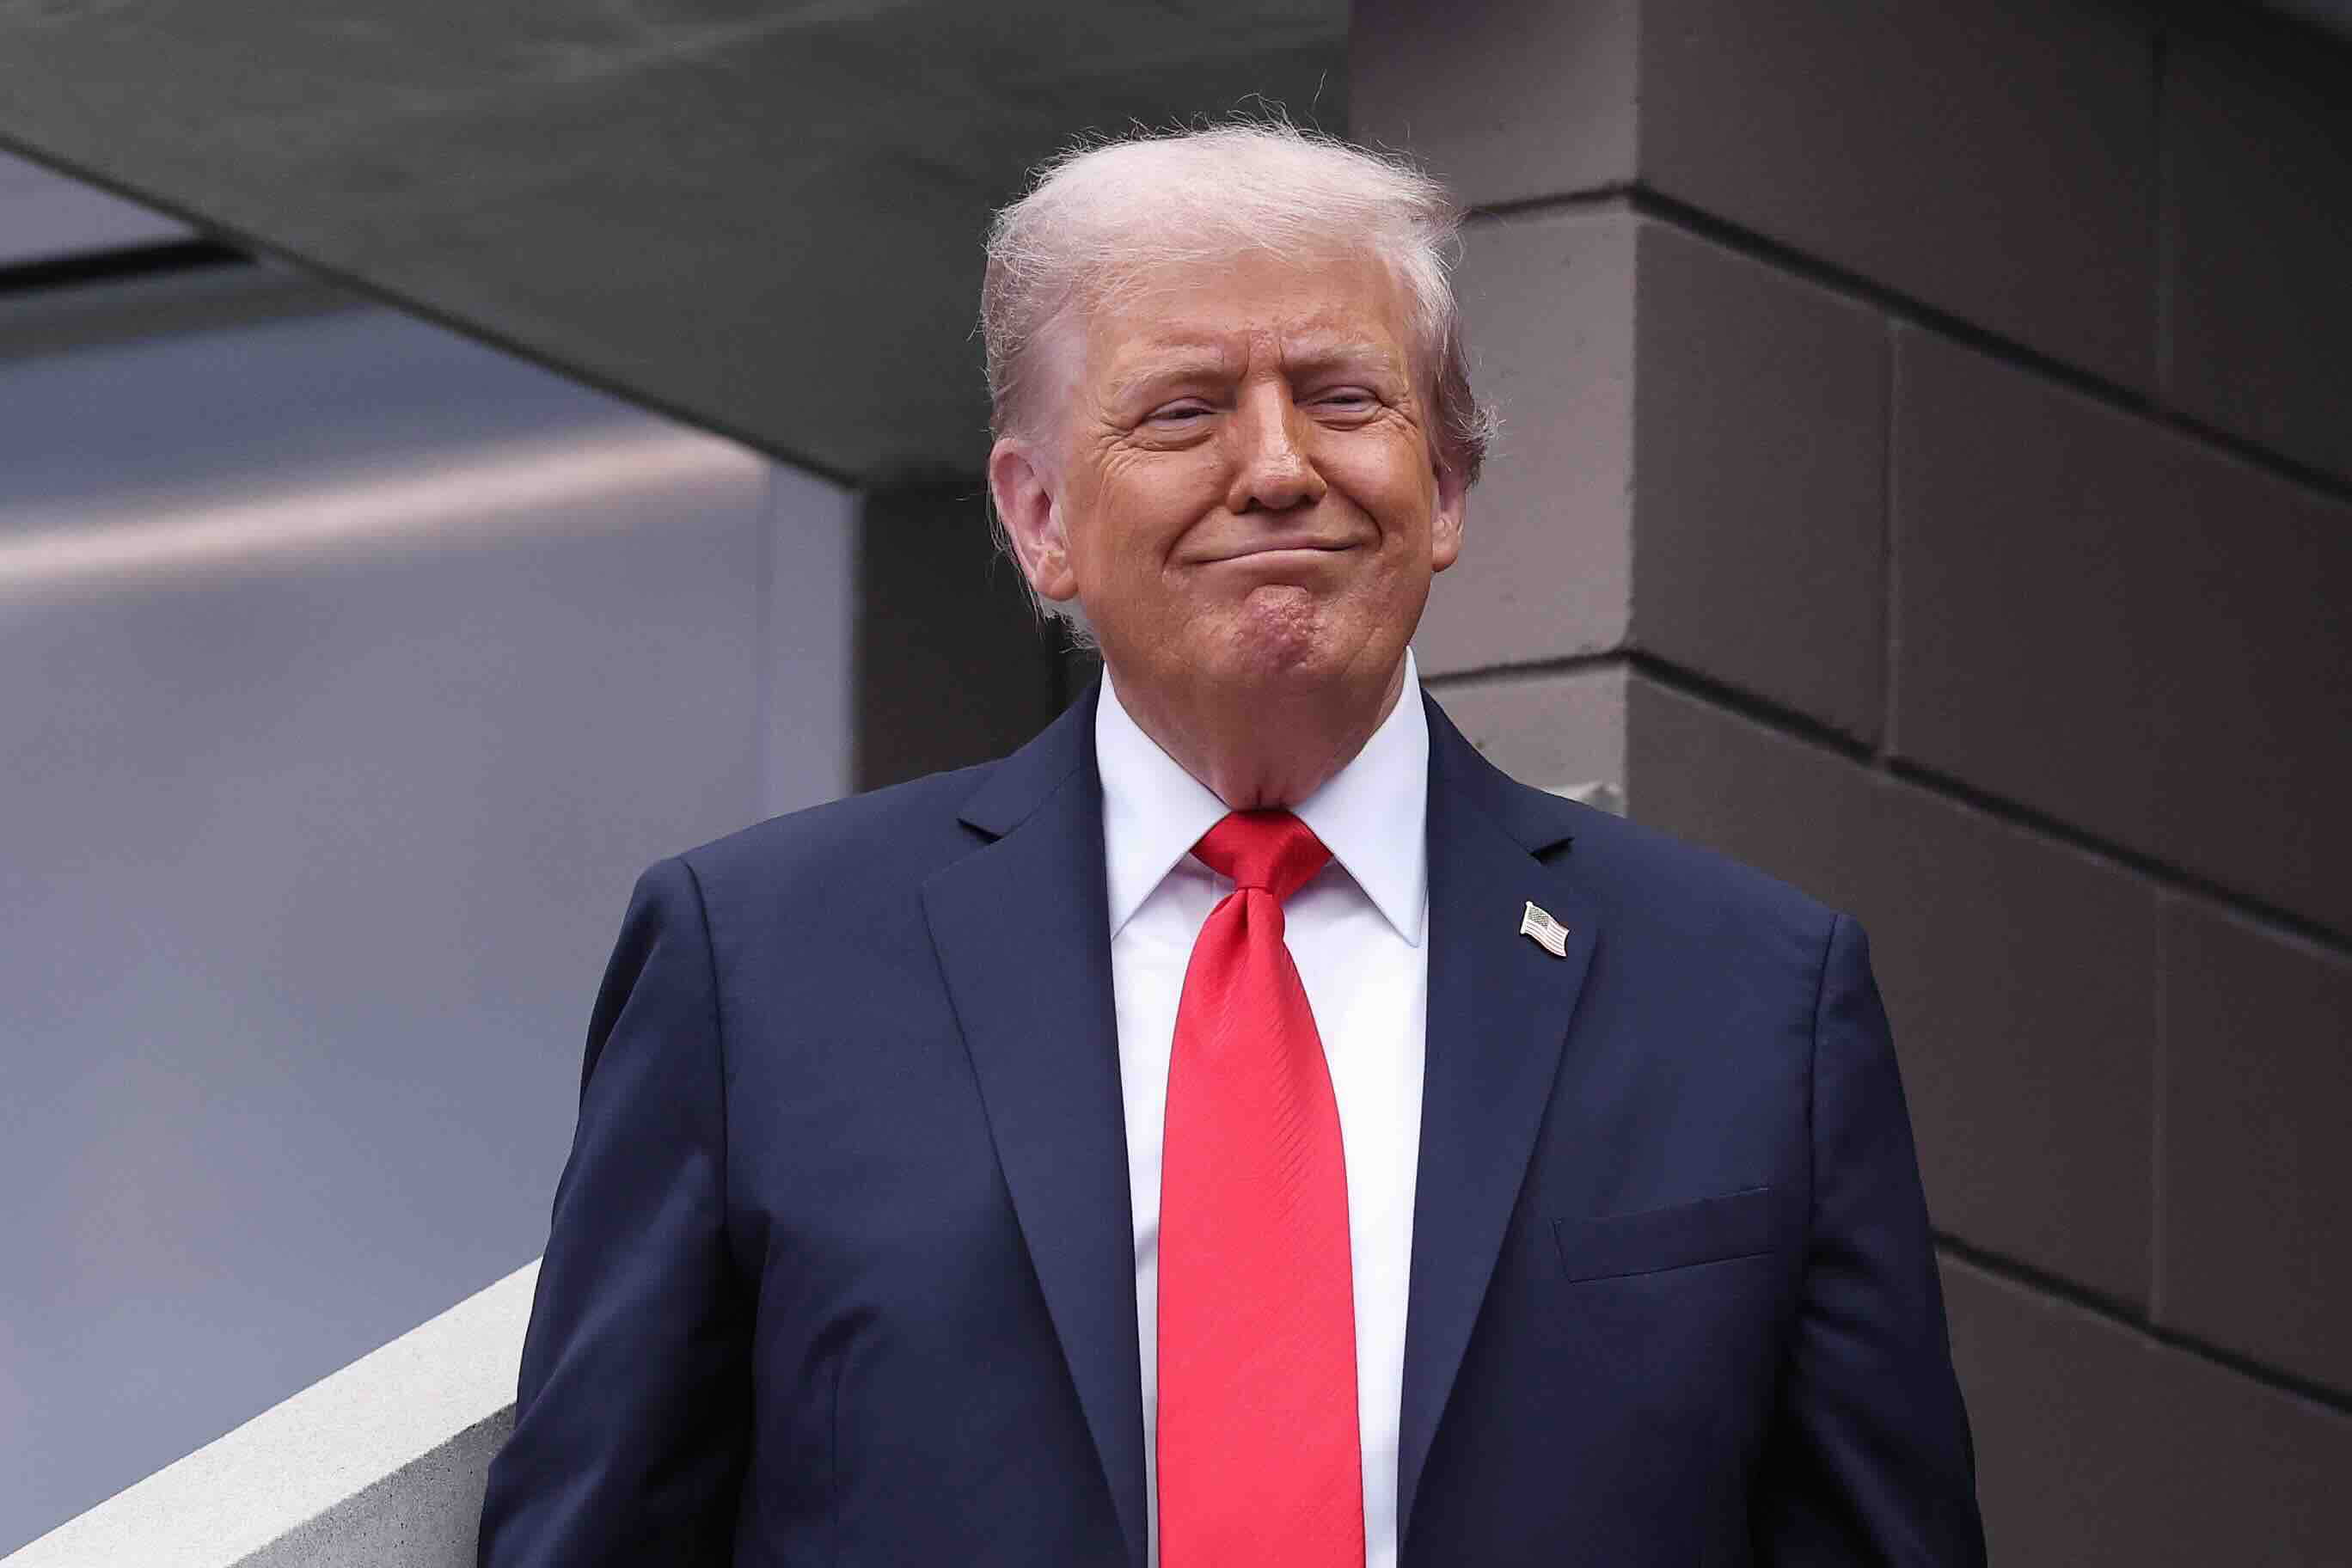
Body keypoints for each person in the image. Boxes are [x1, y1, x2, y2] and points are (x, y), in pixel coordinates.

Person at [476, 123, 1985, 1566]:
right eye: (1184, 410)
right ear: (1040, 515)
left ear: (1446, 484)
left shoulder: (1749, 996)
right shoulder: (764, 966)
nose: (1276, 468)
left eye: (1343, 397)